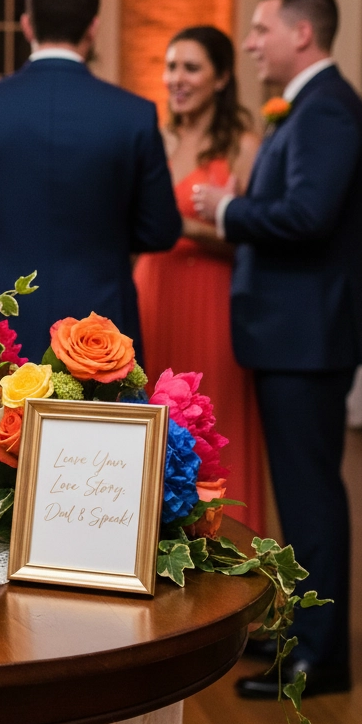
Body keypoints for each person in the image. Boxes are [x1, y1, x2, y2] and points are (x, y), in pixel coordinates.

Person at [194, 0, 362, 698]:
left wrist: (229, 207)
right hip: (294, 332)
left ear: (302, 33)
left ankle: (321, 655)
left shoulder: (326, 107)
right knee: (302, 493)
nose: (250, 41)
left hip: (308, 334)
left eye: (261, 27)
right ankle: (302, 626)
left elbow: (307, 216)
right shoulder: (310, 105)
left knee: (311, 497)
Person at [0, 0, 181, 357]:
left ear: (27, 26)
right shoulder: (133, 114)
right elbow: (160, 229)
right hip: (100, 323)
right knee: (96, 421)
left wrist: (0, 236)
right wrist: (102, 237)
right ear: (93, 28)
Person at [133, 27, 267, 535]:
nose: (177, 80)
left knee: (216, 423)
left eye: (191, 68)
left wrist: (182, 225)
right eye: (171, 67)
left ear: (222, 77)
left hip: (213, 297)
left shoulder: (242, 147)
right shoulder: (154, 141)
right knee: (156, 422)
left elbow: (256, 234)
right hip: (153, 289)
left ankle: (229, 562)